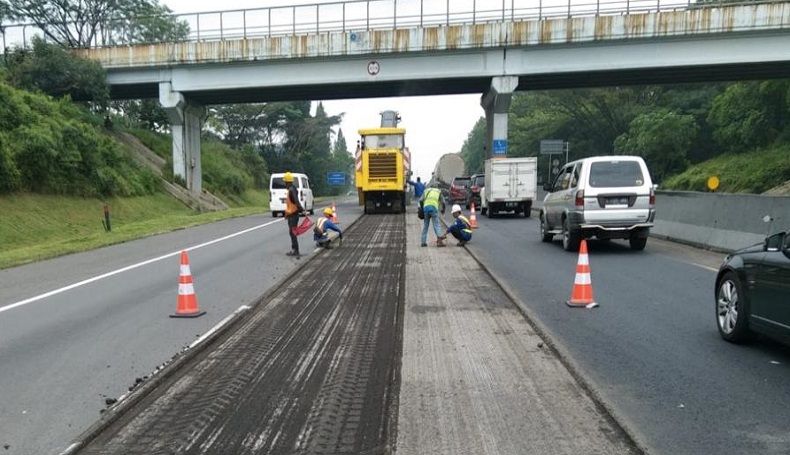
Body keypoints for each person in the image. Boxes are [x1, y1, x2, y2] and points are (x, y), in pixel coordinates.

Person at [283, 172, 307, 257]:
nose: (284, 183)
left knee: (292, 232)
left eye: (285, 182)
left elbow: (296, 201)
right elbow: (291, 203)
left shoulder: (292, 190)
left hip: (294, 215)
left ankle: (295, 250)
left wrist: (302, 210)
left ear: (288, 182)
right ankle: (294, 249)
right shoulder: (291, 189)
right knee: (291, 232)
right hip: (291, 215)